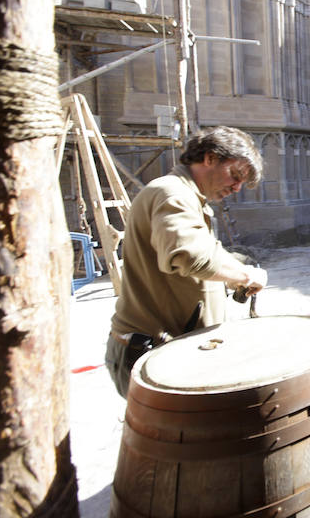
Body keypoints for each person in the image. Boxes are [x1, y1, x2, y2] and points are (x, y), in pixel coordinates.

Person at [105, 126, 268, 397]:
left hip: (173, 349)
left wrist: (233, 269)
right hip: (151, 351)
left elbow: (197, 255)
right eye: (236, 175)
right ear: (210, 158)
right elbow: (190, 256)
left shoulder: (189, 199)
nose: (237, 188)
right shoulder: (172, 194)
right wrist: (244, 275)